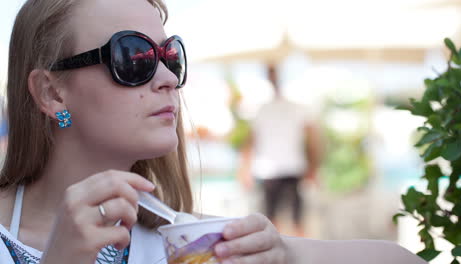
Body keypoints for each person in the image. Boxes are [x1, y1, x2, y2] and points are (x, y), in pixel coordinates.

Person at [0, 0, 426, 263]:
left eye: (171, 56)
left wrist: (286, 253)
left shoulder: (186, 242)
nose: (167, 76)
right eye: (133, 57)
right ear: (51, 92)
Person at [238, 64, 320, 237]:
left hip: (274, 170)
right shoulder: (294, 107)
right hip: (287, 168)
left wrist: (244, 169)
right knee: (293, 220)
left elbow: (250, 141)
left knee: (277, 220)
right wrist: (313, 167)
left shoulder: (262, 108)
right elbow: (313, 139)